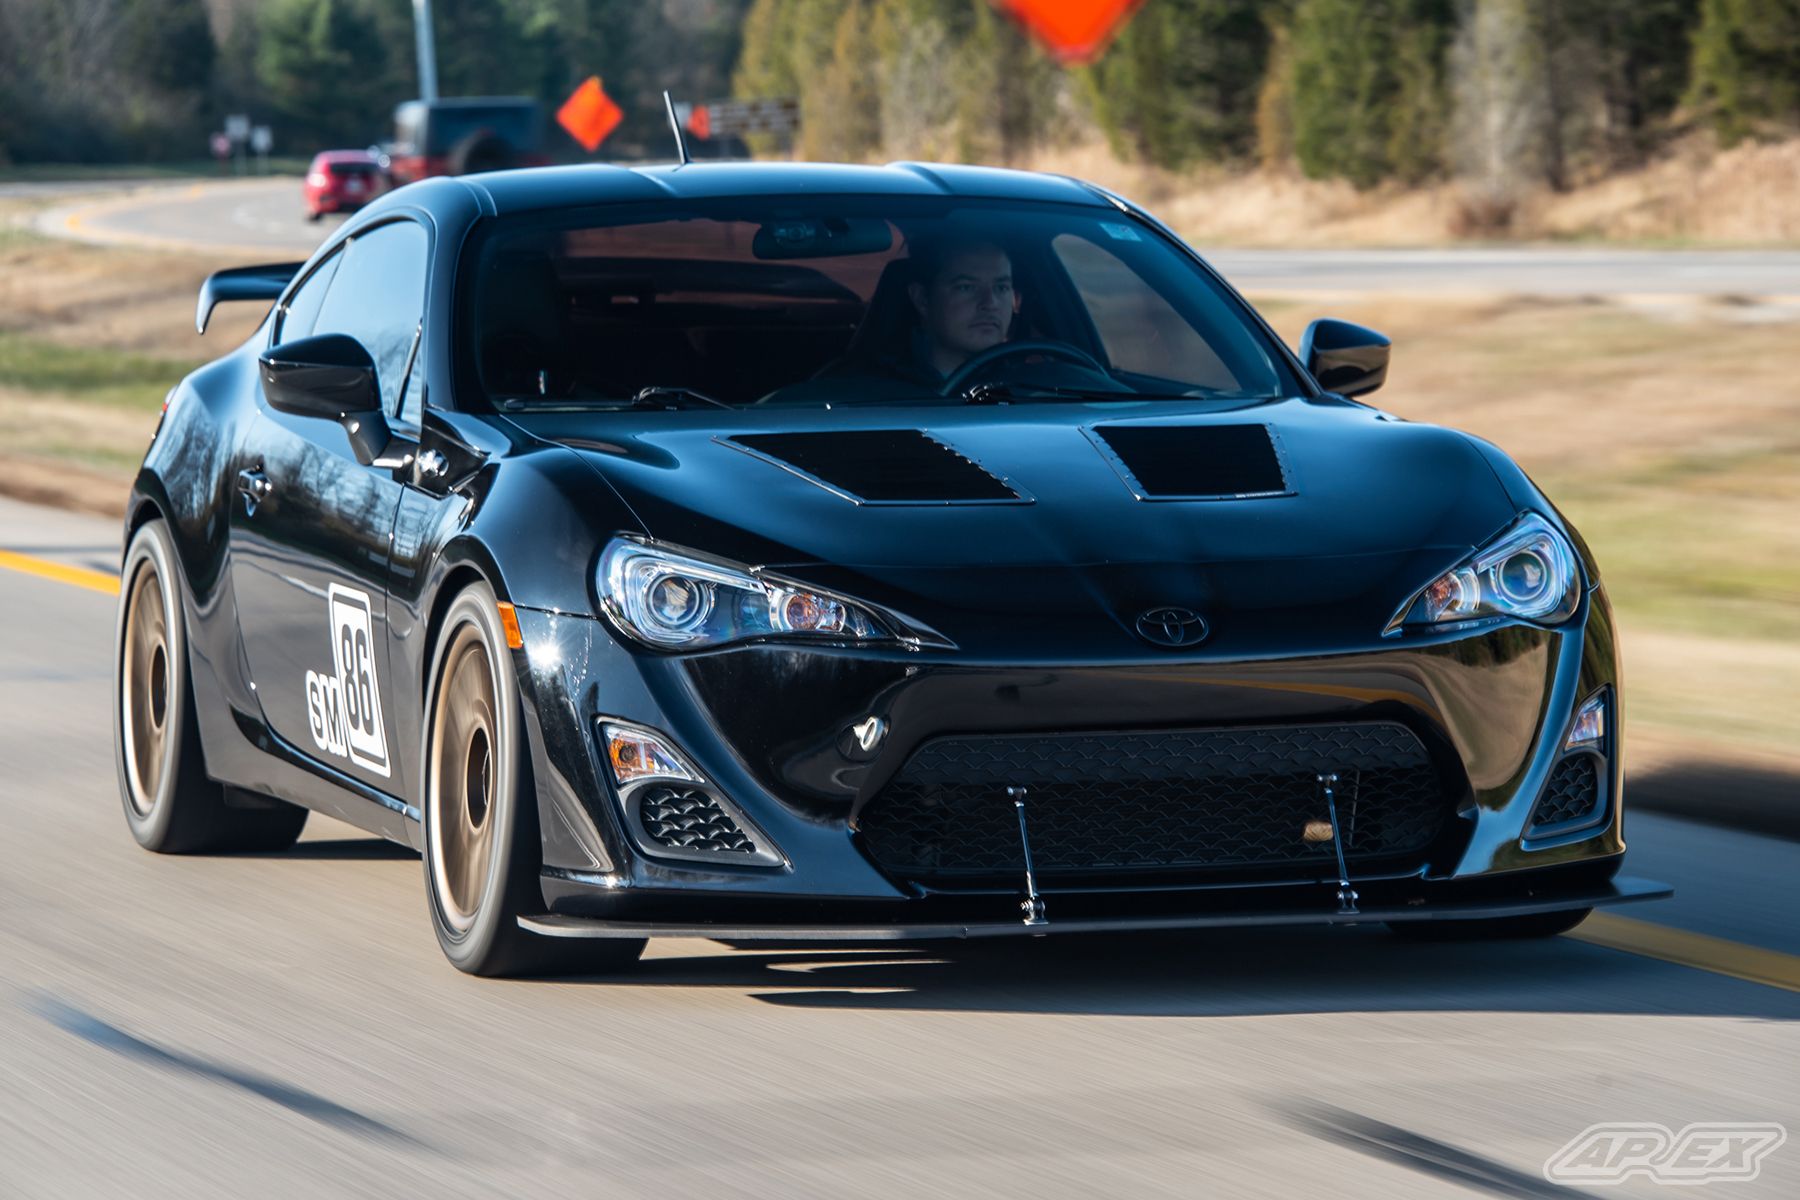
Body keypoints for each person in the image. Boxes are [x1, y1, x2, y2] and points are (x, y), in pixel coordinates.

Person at [905, 239, 1018, 378]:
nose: (990, 303)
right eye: (966, 287)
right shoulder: (885, 392)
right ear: (922, 299)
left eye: (1001, 288)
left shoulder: (1033, 386)